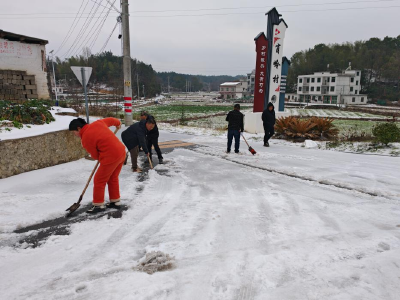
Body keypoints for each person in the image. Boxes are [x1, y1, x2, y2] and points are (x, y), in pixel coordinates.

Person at [69, 117, 125, 214]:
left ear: (78, 128)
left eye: (74, 132)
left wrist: (102, 155)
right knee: (112, 177)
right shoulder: (98, 123)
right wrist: (118, 123)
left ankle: (98, 205)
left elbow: (95, 156)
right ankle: (115, 201)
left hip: (110, 156)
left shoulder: (86, 138)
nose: (74, 135)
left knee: (99, 180)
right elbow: (112, 120)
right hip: (121, 152)